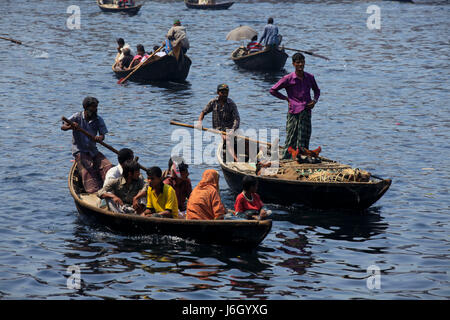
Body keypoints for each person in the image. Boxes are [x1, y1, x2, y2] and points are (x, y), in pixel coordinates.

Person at [269, 53, 321, 159]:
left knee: (304, 137)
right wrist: (286, 98)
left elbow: (317, 90)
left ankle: (301, 157)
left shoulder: (309, 77)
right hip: (294, 112)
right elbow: (273, 90)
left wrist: (314, 101)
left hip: (306, 111)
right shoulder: (288, 78)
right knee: (291, 137)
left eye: (302, 62)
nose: (300, 64)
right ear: (293, 64)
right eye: (298, 62)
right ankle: (287, 157)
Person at [61, 97, 113, 193]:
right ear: (86, 108)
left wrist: (99, 138)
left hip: (93, 150)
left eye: (96, 107)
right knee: (88, 169)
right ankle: (95, 192)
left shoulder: (98, 119)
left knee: (108, 166)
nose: (95, 110)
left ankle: (109, 188)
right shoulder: (77, 117)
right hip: (80, 150)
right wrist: (71, 126)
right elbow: (63, 127)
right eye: (93, 107)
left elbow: (102, 135)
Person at [196, 83, 240, 162]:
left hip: (229, 130)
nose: (224, 94)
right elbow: (203, 112)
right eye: (222, 92)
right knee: (227, 140)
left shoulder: (231, 104)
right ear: (218, 93)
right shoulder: (213, 102)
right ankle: (236, 159)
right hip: (217, 130)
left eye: (226, 92)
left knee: (242, 140)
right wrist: (199, 122)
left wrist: (232, 130)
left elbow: (237, 119)